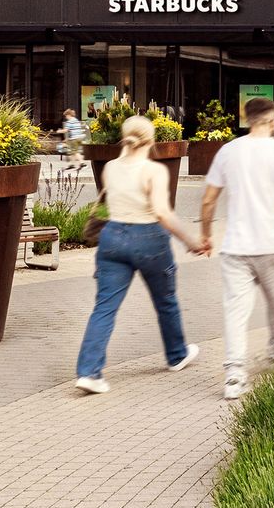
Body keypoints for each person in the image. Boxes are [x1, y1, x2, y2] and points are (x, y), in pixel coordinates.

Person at [74, 115, 205, 395]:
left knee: (104, 307)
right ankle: (176, 354)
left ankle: (89, 372)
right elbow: (161, 212)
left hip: (112, 239)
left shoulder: (110, 167)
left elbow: (109, 202)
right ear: (151, 139)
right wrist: (189, 240)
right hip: (149, 239)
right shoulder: (153, 171)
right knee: (165, 300)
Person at [198, 97, 274, 400]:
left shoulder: (227, 151)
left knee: (235, 310)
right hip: (273, 244)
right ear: (273, 121)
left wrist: (206, 235)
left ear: (247, 120)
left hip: (235, 247)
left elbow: (208, 200)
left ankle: (234, 374)